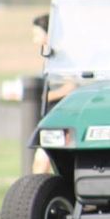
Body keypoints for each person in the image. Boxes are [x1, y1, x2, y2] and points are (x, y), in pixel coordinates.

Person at [30, 14, 77, 174]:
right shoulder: (50, 58)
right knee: (40, 162)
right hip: (51, 115)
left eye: (37, 34)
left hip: (60, 116)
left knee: (42, 162)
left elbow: (71, 86)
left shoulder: (62, 58)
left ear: (48, 34)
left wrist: (47, 97)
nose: (34, 39)